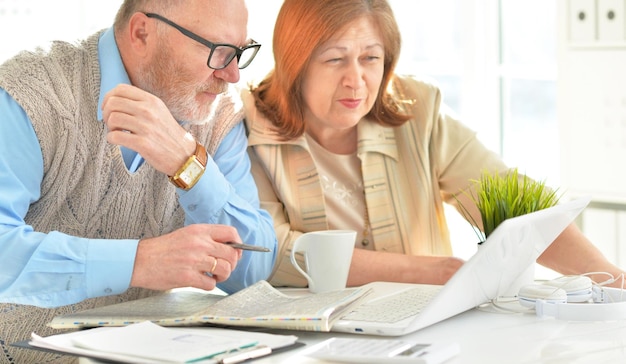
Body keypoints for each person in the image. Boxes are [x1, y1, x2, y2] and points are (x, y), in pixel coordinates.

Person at [243, 0, 625, 291]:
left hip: (423, 338)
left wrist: (615, 281)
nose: (356, 81)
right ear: (295, 62)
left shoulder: (418, 112)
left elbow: (517, 209)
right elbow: (270, 252)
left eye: (370, 58)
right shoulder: (248, 129)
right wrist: (431, 272)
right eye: (334, 59)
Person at [0, 0, 277, 362]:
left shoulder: (218, 113)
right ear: (142, 33)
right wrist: (141, 262)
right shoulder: (33, 96)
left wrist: (187, 163)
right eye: (217, 51)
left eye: (240, 52)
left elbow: (254, 268)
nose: (233, 75)